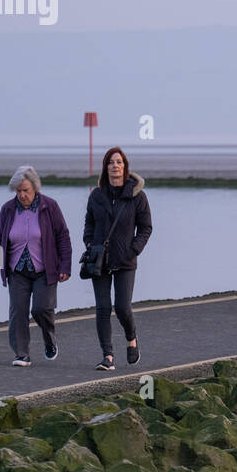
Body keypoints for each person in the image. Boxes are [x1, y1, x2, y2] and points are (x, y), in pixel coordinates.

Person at [0, 165, 72, 366]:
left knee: (42, 309)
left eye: (25, 190)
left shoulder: (49, 206)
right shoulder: (8, 209)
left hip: (45, 269)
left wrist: (65, 266)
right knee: (18, 312)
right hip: (17, 270)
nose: (22, 195)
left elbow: (63, 236)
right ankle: (22, 354)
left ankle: (49, 340)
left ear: (35, 188)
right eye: (18, 191)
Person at [84, 147, 152, 370]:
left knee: (122, 306)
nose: (115, 165)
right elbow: (89, 222)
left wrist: (133, 249)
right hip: (99, 260)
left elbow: (145, 228)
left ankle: (131, 338)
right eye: (111, 162)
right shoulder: (96, 195)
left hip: (125, 260)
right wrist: (89, 242)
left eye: (119, 162)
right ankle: (108, 356)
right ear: (106, 167)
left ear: (125, 167)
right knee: (103, 308)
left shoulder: (137, 196)